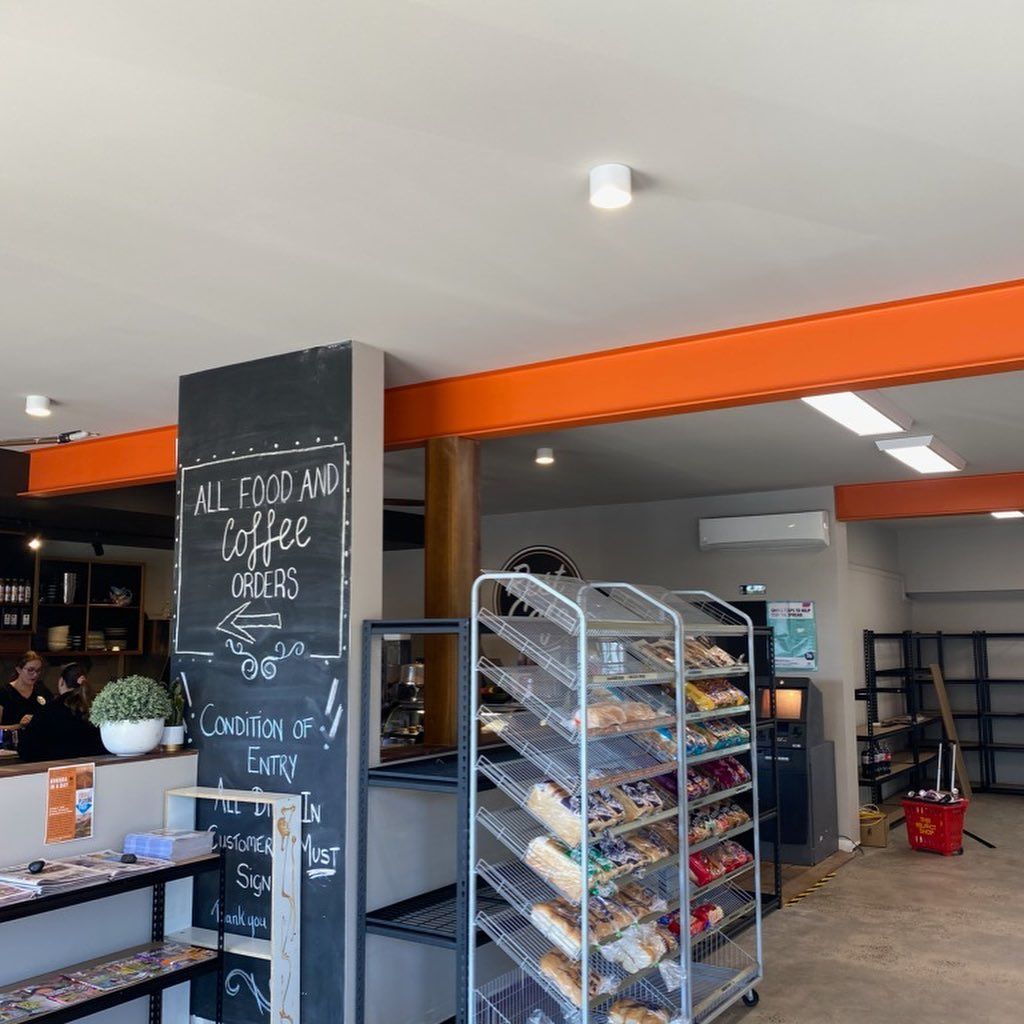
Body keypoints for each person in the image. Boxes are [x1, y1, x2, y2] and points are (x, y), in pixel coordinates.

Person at [17, 662, 105, 763]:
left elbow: (26, 750)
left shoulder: (49, 710)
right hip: (96, 770)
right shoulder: (98, 710)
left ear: (61, 682)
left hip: (54, 771)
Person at [0, 651, 49, 728]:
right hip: (13, 738)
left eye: (38, 670)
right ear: (18, 669)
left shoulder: (41, 689)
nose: (35, 674)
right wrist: (20, 725)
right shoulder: (4, 693)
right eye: (30, 670)